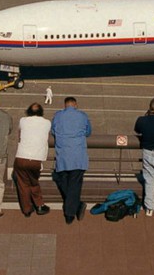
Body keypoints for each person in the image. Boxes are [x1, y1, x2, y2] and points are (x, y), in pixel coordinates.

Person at [51, 96, 91, 224]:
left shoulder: (57, 116)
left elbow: (53, 131)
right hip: (78, 155)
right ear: (75, 104)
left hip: (63, 155)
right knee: (74, 184)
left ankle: (76, 206)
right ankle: (70, 213)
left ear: (65, 105)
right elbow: (88, 131)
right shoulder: (82, 116)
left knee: (61, 179)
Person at [14, 103, 51, 217]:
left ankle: (27, 209)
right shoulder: (47, 123)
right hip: (36, 158)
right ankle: (39, 205)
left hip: (21, 156)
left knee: (23, 185)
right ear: (41, 112)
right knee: (34, 182)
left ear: (29, 112)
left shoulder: (23, 121)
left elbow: (19, 135)